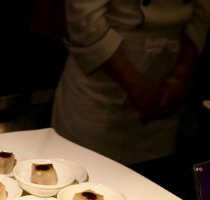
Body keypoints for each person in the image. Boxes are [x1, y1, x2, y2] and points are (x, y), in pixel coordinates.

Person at [52, 0, 210, 165]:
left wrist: (181, 72)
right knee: (84, 169)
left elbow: (203, 10)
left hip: (165, 86)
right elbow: (83, 16)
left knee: (153, 173)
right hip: (99, 87)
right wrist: (135, 85)